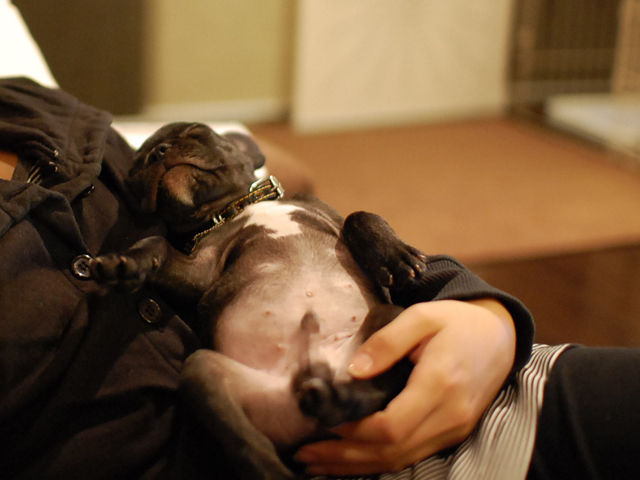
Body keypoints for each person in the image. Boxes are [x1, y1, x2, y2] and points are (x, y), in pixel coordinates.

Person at [0, 76, 542, 479]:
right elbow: (181, 270)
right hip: (258, 420)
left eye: (184, 140)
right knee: (203, 372)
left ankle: (345, 397)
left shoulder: (29, 108)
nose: (160, 155)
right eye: (148, 164)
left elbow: (360, 244)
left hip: (428, 381)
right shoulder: (198, 249)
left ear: (243, 157)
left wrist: (476, 310)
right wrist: (146, 260)